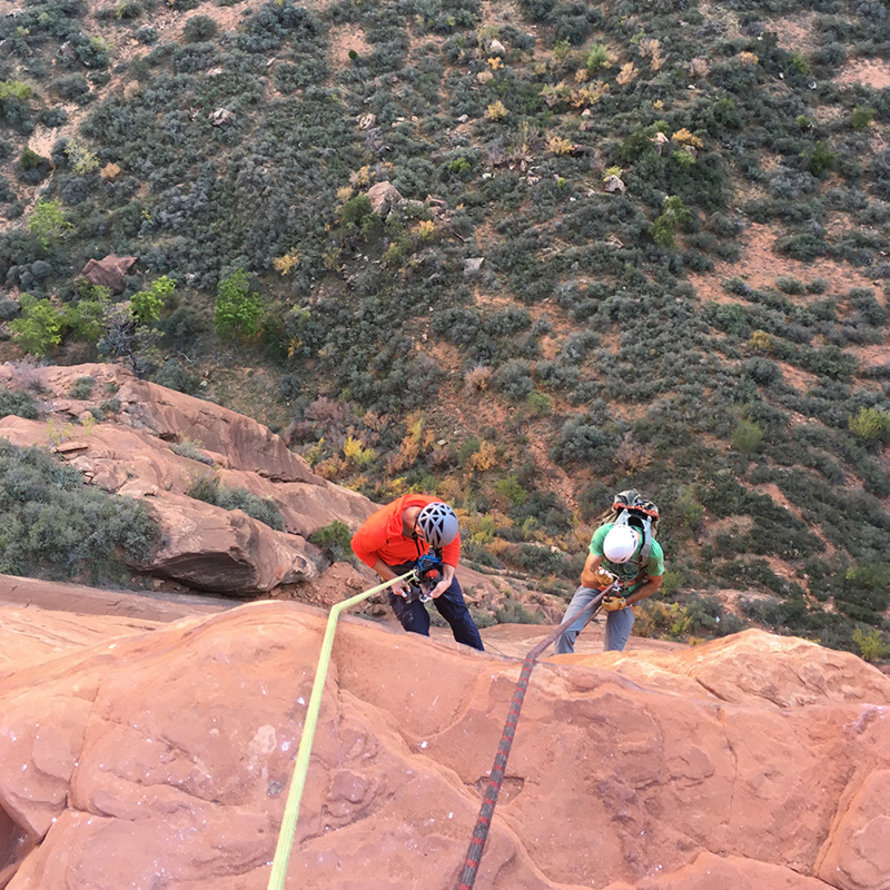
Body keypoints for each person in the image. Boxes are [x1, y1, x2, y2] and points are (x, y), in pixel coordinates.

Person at [351, 494, 484, 651]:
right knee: (416, 625)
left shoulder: (437, 510)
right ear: (419, 529)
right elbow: (359, 549)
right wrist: (392, 579)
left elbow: (452, 539)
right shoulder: (379, 528)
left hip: (425, 558)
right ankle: (425, 661)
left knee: (458, 613)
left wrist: (447, 579)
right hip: (397, 567)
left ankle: (479, 657)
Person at [554, 492, 665, 654]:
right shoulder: (603, 533)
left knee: (613, 653)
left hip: (627, 592)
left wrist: (624, 602)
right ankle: (561, 671)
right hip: (597, 587)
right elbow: (586, 579)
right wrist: (599, 580)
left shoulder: (653, 552)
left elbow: (655, 584)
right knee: (565, 632)